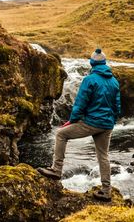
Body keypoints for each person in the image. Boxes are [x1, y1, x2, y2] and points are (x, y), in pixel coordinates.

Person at [38, 48, 121, 202]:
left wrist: (73, 120)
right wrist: (111, 121)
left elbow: (80, 103)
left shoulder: (89, 80)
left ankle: (56, 170)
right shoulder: (114, 81)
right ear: (104, 63)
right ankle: (106, 190)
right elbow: (117, 106)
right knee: (103, 156)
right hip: (107, 124)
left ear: (92, 64)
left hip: (92, 123)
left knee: (61, 134)